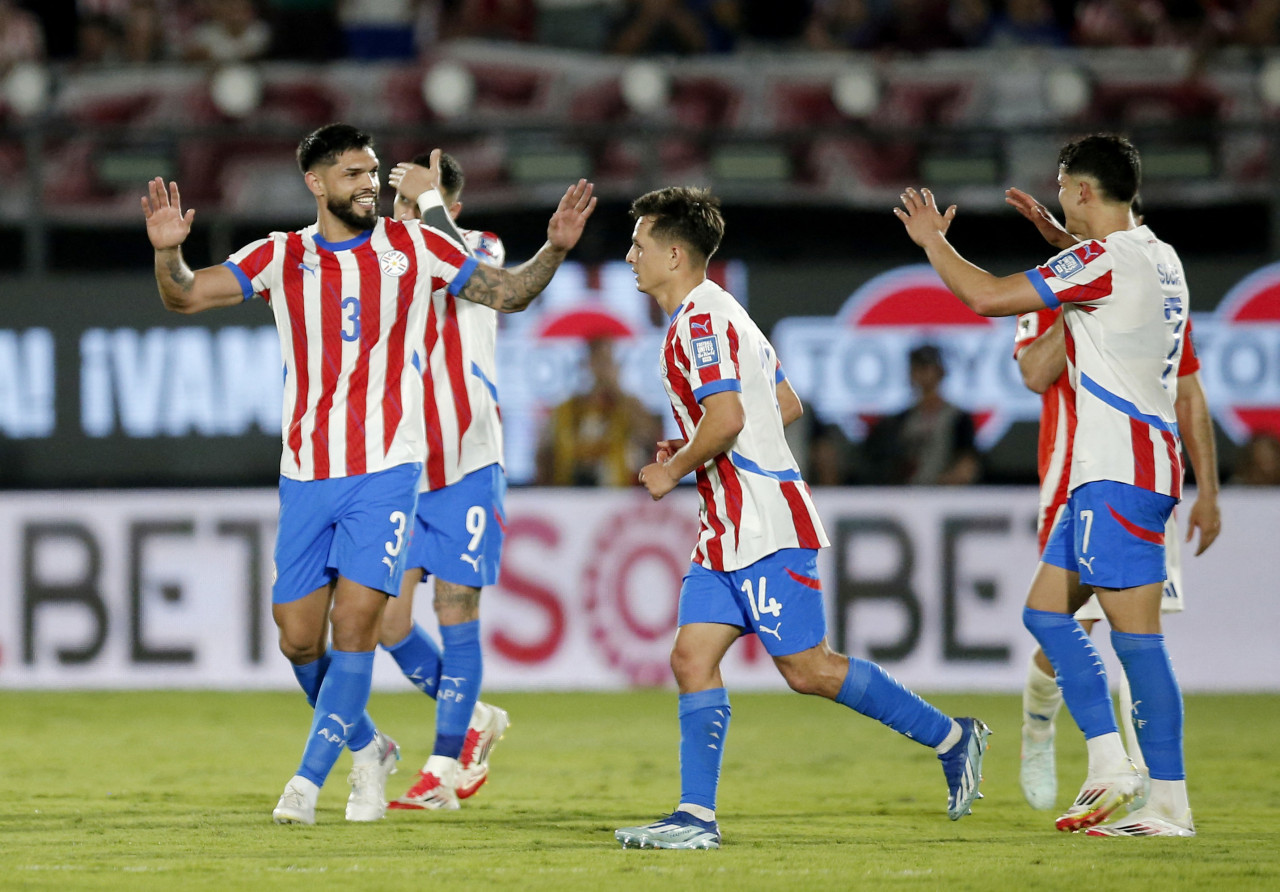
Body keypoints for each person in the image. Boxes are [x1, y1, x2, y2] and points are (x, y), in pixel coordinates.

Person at [143, 123, 595, 825]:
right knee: (298, 636)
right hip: (306, 473)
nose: (368, 185)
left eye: (373, 172)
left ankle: (310, 782)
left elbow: (507, 293)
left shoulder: (415, 246)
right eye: (352, 174)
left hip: (389, 467)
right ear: (316, 184)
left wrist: (557, 251)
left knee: (362, 622)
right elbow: (184, 295)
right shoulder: (279, 254)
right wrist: (168, 254)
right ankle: (370, 746)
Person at [613, 186, 990, 851]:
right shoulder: (726, 314)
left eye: (639, 244)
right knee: (691, 656)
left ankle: (953, 737)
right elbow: (782, 404)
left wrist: (675, 468)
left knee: (809, 669)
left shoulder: (701, 321)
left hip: (764, 523)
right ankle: (695, 818)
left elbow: (731, 418)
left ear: (675, 253)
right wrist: (696, 443)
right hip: (726, 529)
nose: (629, 254)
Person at [897, 133, 1221, 837]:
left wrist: (931, 242)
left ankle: (1162, 799)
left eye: (1063, 186)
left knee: (1138, 644)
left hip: (1121, 471)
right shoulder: (1159, 255)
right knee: (1047, 613)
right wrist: (1060, 243)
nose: (1059, 197)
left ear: (1082, 190)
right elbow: (1102, 290)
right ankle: (1113, 765)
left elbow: (985, 295)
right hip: (1118, 470)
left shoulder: (1104, 261)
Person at [1004, 186, 1220, 813]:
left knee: (1131, 633)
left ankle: (1145, 788)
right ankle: (1041, 731)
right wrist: (1080, 304)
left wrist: (1208, 488)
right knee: (1070, 625)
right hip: (1075, 470)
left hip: (1136, 469)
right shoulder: (1063, 280)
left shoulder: (1148, 277)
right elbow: (1033, 373)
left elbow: (1189, 389)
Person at [374, 151, 511, 811]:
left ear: (449, 207)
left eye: (417, 202)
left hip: (467, 463)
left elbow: (473, 279)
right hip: (403, 468)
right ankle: (476, 717)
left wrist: (428, 208)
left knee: (455, 614)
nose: (400, 214)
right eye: (396, 201)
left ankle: (445, 769)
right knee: (386, 621)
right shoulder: (381, 259)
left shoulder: (480, 244)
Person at [536, 337, 663, 487]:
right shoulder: (566, 409)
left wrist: (617, 389)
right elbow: (543, 454)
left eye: (607, 361)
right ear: (586, 364)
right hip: (568, 495)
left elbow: (652, 438)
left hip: (617, 492)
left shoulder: (628, 406)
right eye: (597, 361)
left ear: (617, 366)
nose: (602, 369)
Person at [863, 342, 981, 485]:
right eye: (916, 368)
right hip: (907, 496)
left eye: (926, 367)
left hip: (944, 496)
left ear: (940, 371)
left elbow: (967, 464)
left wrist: (946, 481)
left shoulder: (958, 418)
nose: (921, 373)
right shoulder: (901, 419)